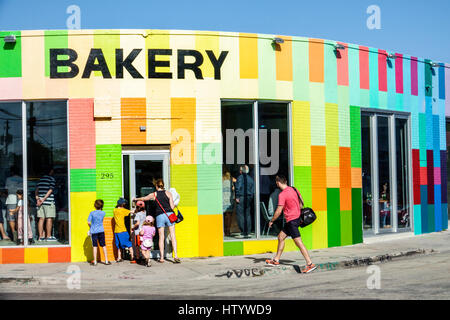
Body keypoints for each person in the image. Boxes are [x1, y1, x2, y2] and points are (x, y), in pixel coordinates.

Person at [265, 175, 317, 273]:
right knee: (281, 237)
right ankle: (276, 260)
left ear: (277, 183)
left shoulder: (282, 194)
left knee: (299, 243)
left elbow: (279, 210)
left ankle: (310, 264)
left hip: (292, 221)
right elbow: (301, 203)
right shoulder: (294, 189)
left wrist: (272, 220)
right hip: (295, 219)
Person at [134, 179, 180, 264]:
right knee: (173, 235)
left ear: (156, 186)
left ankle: (162, 257)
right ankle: (176, 256)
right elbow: (172, 206)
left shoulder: (154, 194)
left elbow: (145, 198)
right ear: (163, 185)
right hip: (169, 215)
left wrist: (136, 199)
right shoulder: (168, 193)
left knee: (161, 237)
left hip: (160, 216)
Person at [35, 168, 57, 241]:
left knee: (41, 219)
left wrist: (38, 199)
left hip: (40, 202)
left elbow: (36, 190)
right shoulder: (51, 179)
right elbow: (50, 190)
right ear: (50, 171)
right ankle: (48, 236)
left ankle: (40, 237)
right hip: (48, 201)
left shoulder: (40, 179)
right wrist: (44, 199)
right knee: (49, 218)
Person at [87, 199, 111, 266]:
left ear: (95, 205)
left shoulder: (92, 213)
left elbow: (88, 222)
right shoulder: (103, 213)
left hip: (94, 231)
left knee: (95, 246)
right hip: (101, 230)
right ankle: (106, 260)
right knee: (103, 245)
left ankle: (95, 261)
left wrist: (91, 227)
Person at [235, 165, 254, 238]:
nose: (239, 171)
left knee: (241, 215)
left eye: (240, 170)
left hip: (241, 197)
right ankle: (248, 231)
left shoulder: (240, 178)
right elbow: (253, 189)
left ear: (241, 171)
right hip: (249, 197)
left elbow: (238, 187)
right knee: (248, 214)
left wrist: (237, 196)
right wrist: (251, 197)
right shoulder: (250, 178)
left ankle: (243, 232)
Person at [113, 198, 135, 263]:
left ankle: (119, 257)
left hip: (116, 231)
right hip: (122, 230)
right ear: (123, 204)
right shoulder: (123, 210)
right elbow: (132, 212)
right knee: (129, 244)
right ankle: (132, 257)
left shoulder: (114, 210)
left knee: (118, 245)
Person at [5, 167, 23, 241]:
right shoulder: (22, 179)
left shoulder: (8, 179)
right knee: (19, 217)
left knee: (11, 218)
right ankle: (19, 234)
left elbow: (6, 190)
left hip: (11, 199)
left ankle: (13, 233)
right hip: (20, 199)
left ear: (12, 172)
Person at [222, 168, 235, 236]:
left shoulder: (221, 180)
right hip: (229, 200)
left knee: (223, 217)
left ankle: (223, 231)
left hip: (222, 200)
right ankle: (228, 231)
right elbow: (233, 189)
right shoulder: (231, 180)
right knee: (229, 217)